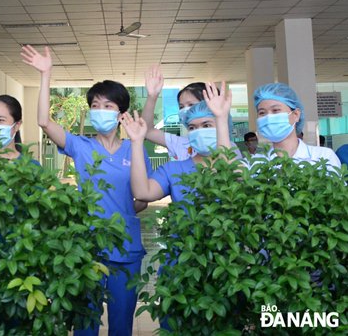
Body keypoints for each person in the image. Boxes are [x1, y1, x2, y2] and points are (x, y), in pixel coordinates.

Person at [23, 44, 149, 336]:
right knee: (85, 323)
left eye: (108, 106)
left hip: (126, 247)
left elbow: (143, 195)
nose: (99, 111)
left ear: (121, 114)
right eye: (95, 106)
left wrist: (124, 212)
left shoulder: (135, 147)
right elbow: (44, 121)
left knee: (121, 323)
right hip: (86, 247)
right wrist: (45, 74)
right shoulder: (81, 146)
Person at [122, 82, 233, 331]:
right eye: (192, 127)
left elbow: (228, 174)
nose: (198, 131)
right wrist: (137, 143)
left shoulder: (236, 165)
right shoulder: (175, 169)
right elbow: (142, 192)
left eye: (207, 125)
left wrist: (221, 118)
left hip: (226, 265)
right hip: (179, 265)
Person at [141, 68, 242, 161]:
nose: (186, 110)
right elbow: (147, 131)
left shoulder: (229, 148)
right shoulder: (181, 143)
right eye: (181, 107)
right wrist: (152, 96)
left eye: (191, 105)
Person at [253, 83, 340, 168]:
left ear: (296, 114)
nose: (269, 117)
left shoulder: (323, 157)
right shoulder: (256, 163)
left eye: (276, 110)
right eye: (262, 113)